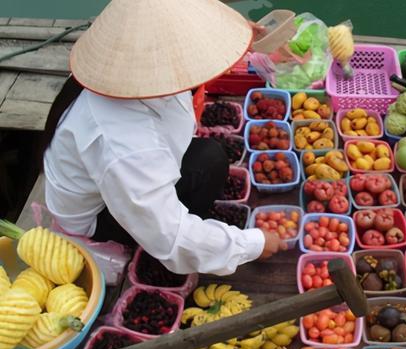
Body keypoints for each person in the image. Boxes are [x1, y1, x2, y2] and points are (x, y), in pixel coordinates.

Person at [41, 0, 287, 276]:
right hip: (100, 217)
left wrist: (239, 42)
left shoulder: (130, 74)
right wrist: (252, 244)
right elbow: (171, 237)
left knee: (210, 158)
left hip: (116, 181)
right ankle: (175, 250)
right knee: (209, 161)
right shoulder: (121, 139)